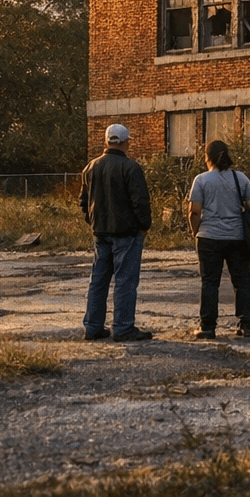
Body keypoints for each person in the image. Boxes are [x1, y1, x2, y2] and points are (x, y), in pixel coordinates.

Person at [79, 123, 153, 341]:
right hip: (126, 233)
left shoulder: (90, 167)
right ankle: (122, 327)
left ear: (106, 141)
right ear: (126, 142)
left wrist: (93, 221)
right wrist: (144, 226)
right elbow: (141, 202)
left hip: (100, 232)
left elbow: (84, 202)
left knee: (98, 280)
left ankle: (92, 326)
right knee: (125, 281)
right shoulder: (131, 168)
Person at [187, 139, 250, 339]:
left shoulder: (201, 180)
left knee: (210, 282)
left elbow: (194, 211)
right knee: (242, 280)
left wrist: (196, 231)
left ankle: (208, 327)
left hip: (209, 237)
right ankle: (245, 326)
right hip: (237, 237)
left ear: (207, 158)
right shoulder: (240, 178)